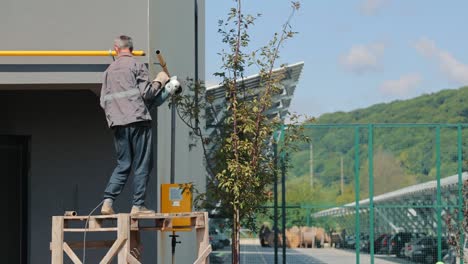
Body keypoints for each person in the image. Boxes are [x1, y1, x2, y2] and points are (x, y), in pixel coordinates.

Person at [99, 35, 179, 215]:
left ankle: (107, 203)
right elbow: (148, 95)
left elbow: (103, 102)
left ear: (116, 49)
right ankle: (137, 206)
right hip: (138, 122)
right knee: (142, 164)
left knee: (123, 164)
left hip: (117, 124)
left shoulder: (108, 71)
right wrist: (160, 80)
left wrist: (116, 117)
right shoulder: (136, 66)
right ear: (132, 50)